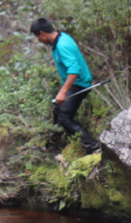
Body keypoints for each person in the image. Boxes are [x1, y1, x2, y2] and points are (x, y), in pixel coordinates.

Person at [29, 18, 101, 153]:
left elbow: (74, 70)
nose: (38, 40)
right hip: (74, 83)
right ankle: (54, 143)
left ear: (42, 33)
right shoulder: (61, 39)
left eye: (37, 37)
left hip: (79, 84)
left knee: (64, 117)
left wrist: (63, 92)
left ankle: (93, 146)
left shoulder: (62, 45)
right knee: (57, 109)